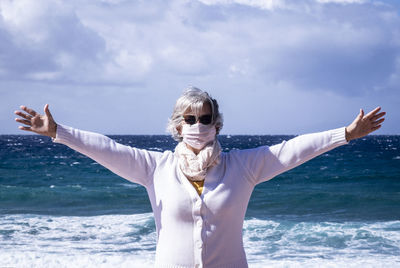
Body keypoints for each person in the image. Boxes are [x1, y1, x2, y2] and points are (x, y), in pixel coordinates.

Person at [14, 87, 385, 268]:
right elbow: (106, 148)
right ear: (177, 126)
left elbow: (294, 150)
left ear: (217, 123)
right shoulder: (154, 168)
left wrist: (345, 134)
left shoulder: (243, 166)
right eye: (188, 119)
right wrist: (57, 131)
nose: (197, 125)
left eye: (204, 117)